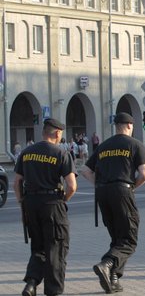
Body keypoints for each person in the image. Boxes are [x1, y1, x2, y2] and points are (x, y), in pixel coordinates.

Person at [80, 112, 145, 294]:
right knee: (129, 239)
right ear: (130, 126)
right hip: (122, 190)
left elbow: (84, 170)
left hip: (102, 193)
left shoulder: (104, 146)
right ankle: (106, 264)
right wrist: (131, 187)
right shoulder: (134, 144)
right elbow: (144, 174)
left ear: (116, 126)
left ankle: (113, 279)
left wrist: (99, 183)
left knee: (117, 238)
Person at [13, 118, 77, 296]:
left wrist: (22, 203)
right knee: (56, 248)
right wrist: (62, 200)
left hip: (31, 205)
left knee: (38, 247)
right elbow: (72, 186)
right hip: (52, 204)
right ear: (57, 133)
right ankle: (53, 291)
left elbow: (16, 182)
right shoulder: (61, 153)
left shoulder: (26, 153)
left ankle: (31, 284)